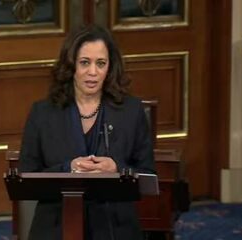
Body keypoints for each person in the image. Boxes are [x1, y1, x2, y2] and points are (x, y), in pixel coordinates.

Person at [19, 24, 155, 240]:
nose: (93, 72)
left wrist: (117, 170)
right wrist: (68, 169)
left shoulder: (131, 111)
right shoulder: (43, 113)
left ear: (110, 67)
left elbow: (148, 175)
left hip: (115, 227)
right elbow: (26, 178)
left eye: (101, 63)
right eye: (85, 63)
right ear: (71, 65)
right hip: (57, 225)